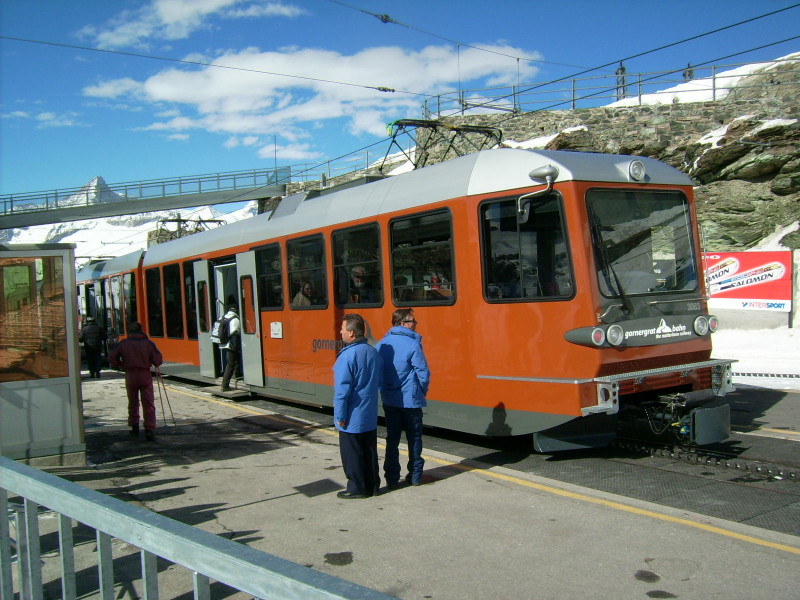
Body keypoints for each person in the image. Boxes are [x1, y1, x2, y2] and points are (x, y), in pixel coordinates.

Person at [376, 308, 430, 488]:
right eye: (412, 321)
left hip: (390, 400)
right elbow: (423, 373)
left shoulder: (382, 344)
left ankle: (391, 478)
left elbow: (377, 371)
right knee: (414, 438)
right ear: (402, 323)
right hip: (410, 401)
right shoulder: (412, 344)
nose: (416, 324)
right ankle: (415, 476)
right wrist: (421, 391)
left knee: (392, 440)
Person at [333, 313, 382, 499]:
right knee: (369, 451)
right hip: (368, 413)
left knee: (352, 454)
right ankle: (373, 486)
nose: (340, 332)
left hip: (352, 414)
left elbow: (341, 392)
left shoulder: (347, 357)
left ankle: (356, 488)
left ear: (352, 333)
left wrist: (340, 416)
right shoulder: (372, 352)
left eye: (343, 329)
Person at [108, 322, 163, 441]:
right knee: (148, 402)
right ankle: (149, 429)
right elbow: (158, 360)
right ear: (141, 331)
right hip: (145, 374)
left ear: (129, 331)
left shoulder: (124, 344)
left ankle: (134, 427)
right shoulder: (148, 343)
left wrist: (121, 365)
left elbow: (112, 357)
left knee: (133, 402)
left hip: (130, 374)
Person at [220, 305, 241, 392]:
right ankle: (225, 385)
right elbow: (236, 332)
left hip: (224, 344)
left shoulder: (223, 317)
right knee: (230, 364)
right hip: (231, 344)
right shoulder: (235, 319)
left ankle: (237, 375)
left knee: (235, 360)